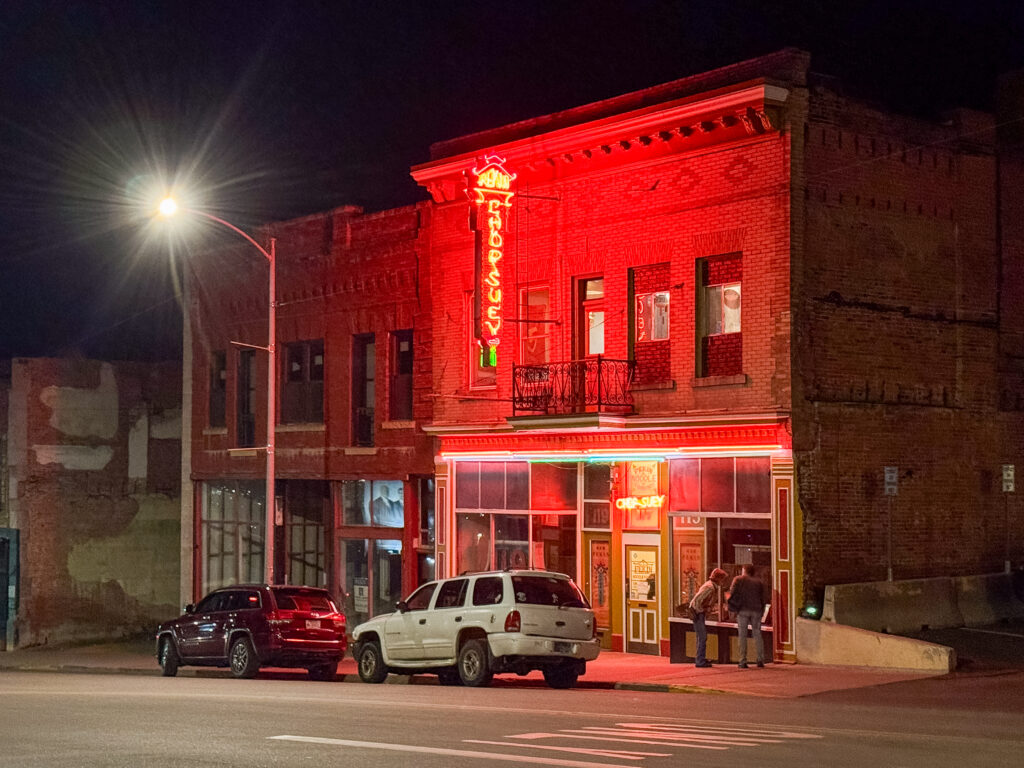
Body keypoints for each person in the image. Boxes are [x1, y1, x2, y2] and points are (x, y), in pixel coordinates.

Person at [729, 563, 768, 668]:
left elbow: (732, 593)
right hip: (757, 610)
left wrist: (732, 608)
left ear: (744, 570)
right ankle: (760, 659)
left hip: (742, 610)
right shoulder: (759, 582)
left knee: (742, 635)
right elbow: (763, 597)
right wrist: (762, 610)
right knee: (757, 634)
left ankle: (743, 660)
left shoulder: (738, 579)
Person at [689, 568, 728, 668]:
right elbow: (697, 600)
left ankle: (700, 658)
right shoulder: (710, 588)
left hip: (698, 613)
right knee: (702, 637)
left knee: (700, 637)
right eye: (723, 579)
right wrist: (702, 611)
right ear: (718, 579)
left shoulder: (711, 586)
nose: (724, 582)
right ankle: (700, 661)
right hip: (698, 613)